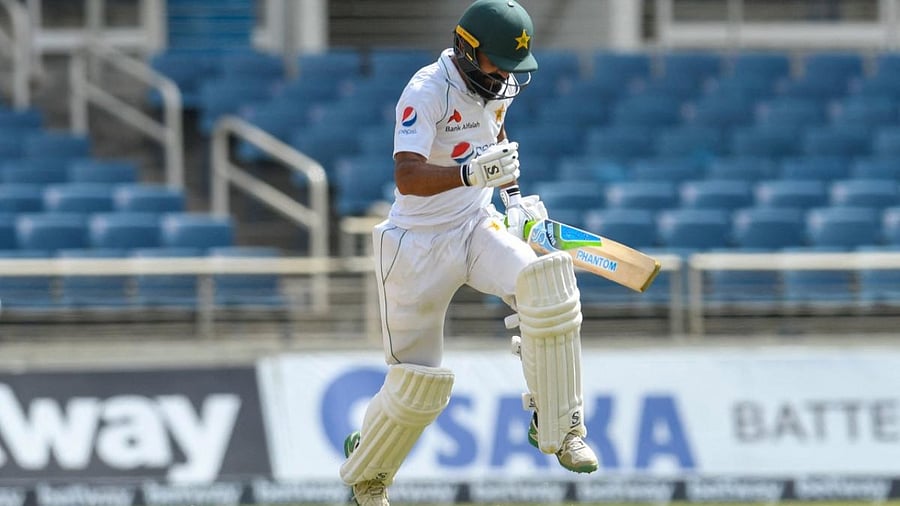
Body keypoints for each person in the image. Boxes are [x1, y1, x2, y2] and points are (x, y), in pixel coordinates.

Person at [340, 1, 598, 504]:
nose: (504, 78)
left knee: (547, 286)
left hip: (476, 226)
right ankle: (369, 470)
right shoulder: (426, 91)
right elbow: (406, 176)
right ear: (466, 49)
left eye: (511, 67)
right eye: (497, 65)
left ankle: (560, 425)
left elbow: (495, 135)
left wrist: (515, 201)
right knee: (418, 385)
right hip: (416, 245)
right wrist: (468, 173)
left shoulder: (496, 85)